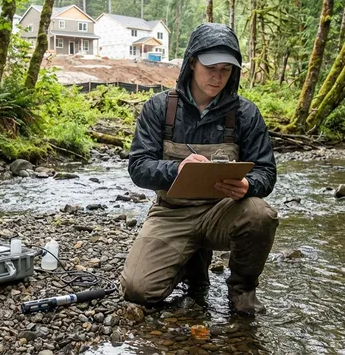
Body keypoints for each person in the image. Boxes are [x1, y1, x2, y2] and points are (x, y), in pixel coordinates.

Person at [119, 23, 278, 315]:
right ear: (192, 62)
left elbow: (266, 172)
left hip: (222, 213)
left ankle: (242, 289)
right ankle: (189, 261)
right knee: (138, 290)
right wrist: (177, 169)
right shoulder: (159, 108)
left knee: (260, 214)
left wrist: (249, 186)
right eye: (210, 68)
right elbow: (138, 167)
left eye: (226, 70)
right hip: (171, 212)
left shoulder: (246, 114)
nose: (218, 78)